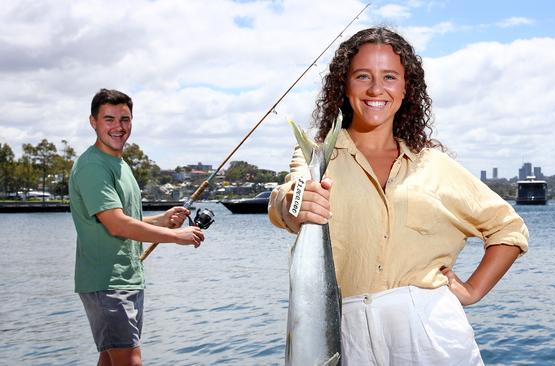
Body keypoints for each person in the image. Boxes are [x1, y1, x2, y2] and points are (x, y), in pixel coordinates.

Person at [268, 27, 529, 365]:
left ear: (407, 88)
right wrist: (294, 203)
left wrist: (473, 290)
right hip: (343, 330)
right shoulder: (315, 157)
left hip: (430, 329)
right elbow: (287, 197)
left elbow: (508, 228)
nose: (376, 89)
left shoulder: (435, 165)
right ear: (344, 85)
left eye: (389, 77)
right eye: (363, 76)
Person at [69, 88, 205, 366]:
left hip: (126, 279)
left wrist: (161, 220)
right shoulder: (92, 166)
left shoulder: (120, 164)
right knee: (130, 361)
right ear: (93, 122)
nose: (118, 127)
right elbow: (117, 225)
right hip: (107, 282)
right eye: (109, 119)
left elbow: (124, 217)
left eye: (125, 119)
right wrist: (175, 236)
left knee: (110, 361)